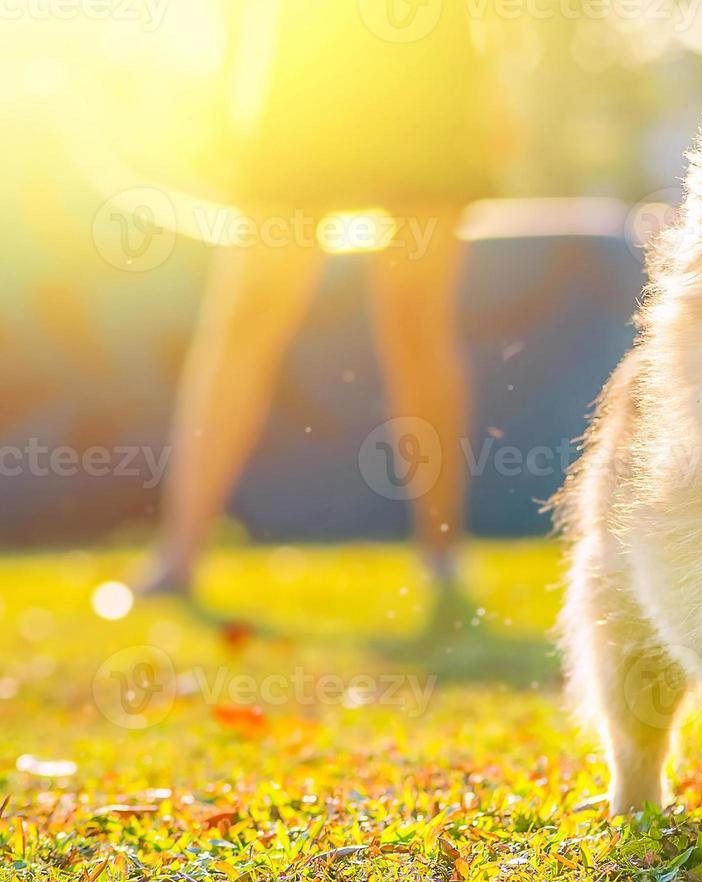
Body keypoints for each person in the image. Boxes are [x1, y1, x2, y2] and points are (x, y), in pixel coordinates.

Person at [139, 1, 503, 594]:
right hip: (308, 68)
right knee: (250, 310)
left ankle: (443, 555)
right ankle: (178, 556)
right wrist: (228, 81)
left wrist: (493, 85)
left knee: (414, 317)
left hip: (430, 65)